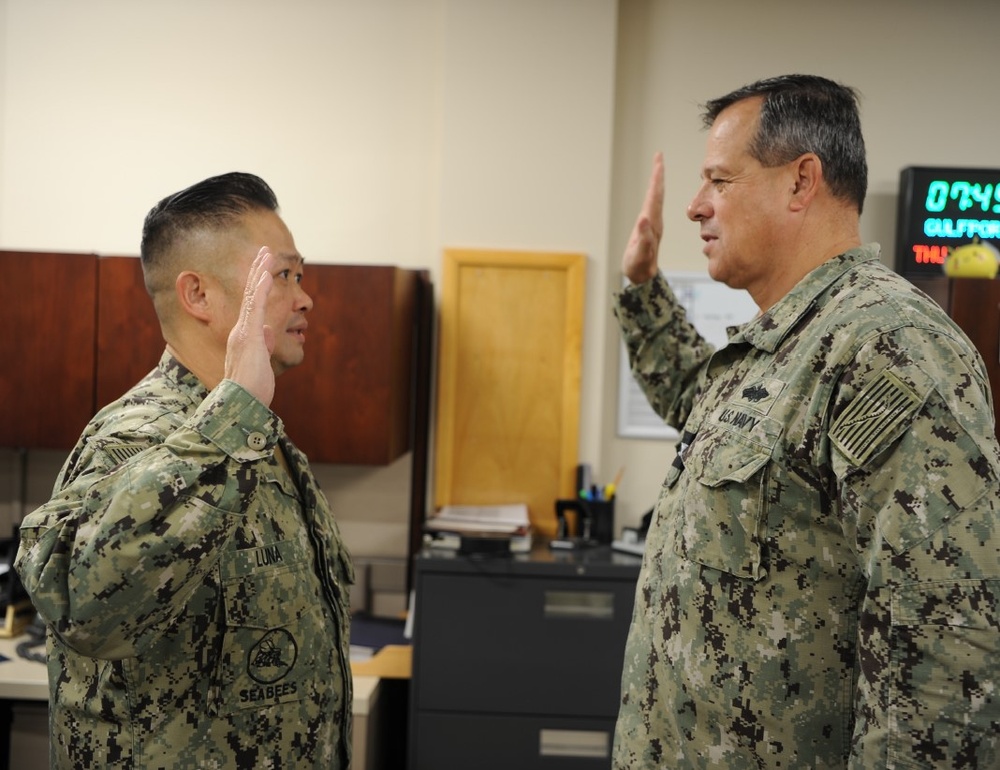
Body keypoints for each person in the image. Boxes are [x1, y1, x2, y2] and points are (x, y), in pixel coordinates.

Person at [612, 74, 1000, 768]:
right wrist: (642, 288)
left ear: (801, 182)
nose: (697, 207)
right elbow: (702, 410)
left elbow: (946, 646)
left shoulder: (890, 345)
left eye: (719, 181)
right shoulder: (786, 342)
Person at [15, 172, 355, 769]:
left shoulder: (257, 439)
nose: (305, 298)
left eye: (301, 277)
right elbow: (78, 601)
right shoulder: (137, 436)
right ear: (198, 295)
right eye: (282, 276)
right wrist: (235, 418)